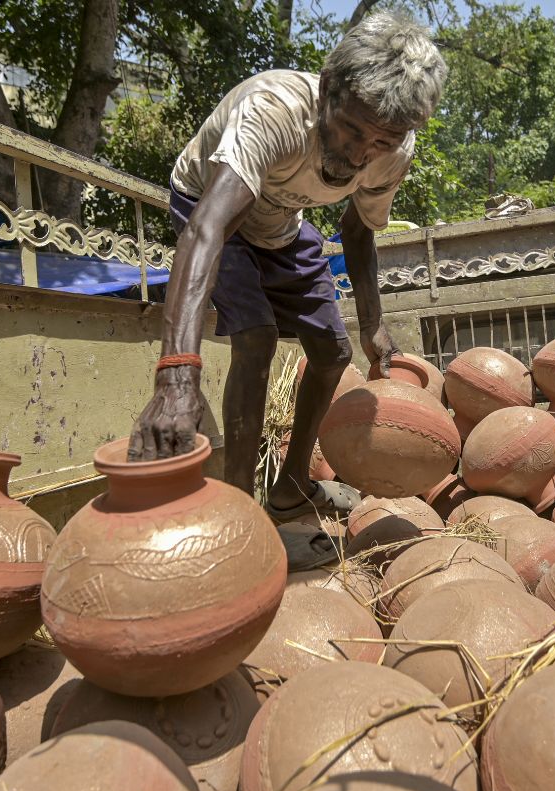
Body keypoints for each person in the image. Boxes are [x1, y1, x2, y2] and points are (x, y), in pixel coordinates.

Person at [128, 12, 447, 568]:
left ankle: (290, 487)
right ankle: (237, 516)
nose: (359, 154)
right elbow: (206, 230)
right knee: (257, 336)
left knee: (333, 351)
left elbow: (357, 230)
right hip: (210, 203)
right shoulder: (274, 110)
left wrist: (372, 320)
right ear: (327, 91)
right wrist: (176, 379)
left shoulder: (392, 151)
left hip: (283, 223)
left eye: (381, 141)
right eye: (352, 130)